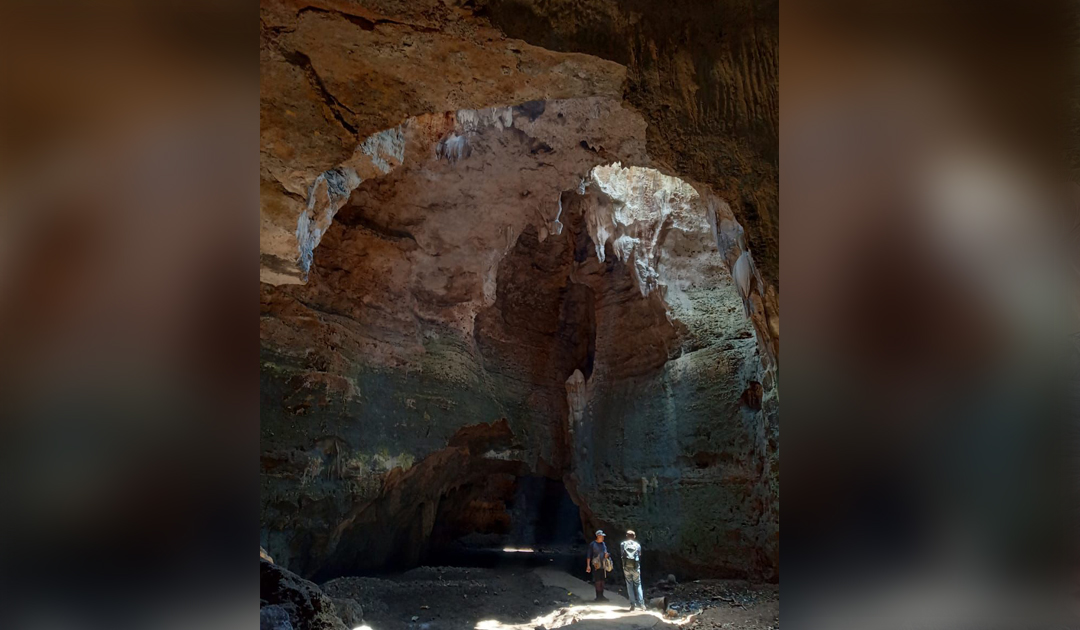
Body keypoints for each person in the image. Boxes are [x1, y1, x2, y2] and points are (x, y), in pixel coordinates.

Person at [620, 530, 644, 611]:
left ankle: (632, 604)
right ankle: (641, 604)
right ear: (634, 537)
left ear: (627, 536)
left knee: (629, 585)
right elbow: (639, 554)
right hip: (635, 567)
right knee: (638, 584)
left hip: (626, 567)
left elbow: (622, 554)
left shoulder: (623, 544)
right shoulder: (637, 545)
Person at [585, 529, 610, 601]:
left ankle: (602, 595)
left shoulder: (603, 544)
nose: (603, 538)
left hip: (603, 564)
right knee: (597, 580)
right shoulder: (593, 544)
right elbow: (589, 555)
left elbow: (607, 553)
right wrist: (588, 565)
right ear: (598, 536)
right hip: (596, 565)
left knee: (602, 580)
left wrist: (607, 555)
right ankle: (598, 596)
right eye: (602, 536)